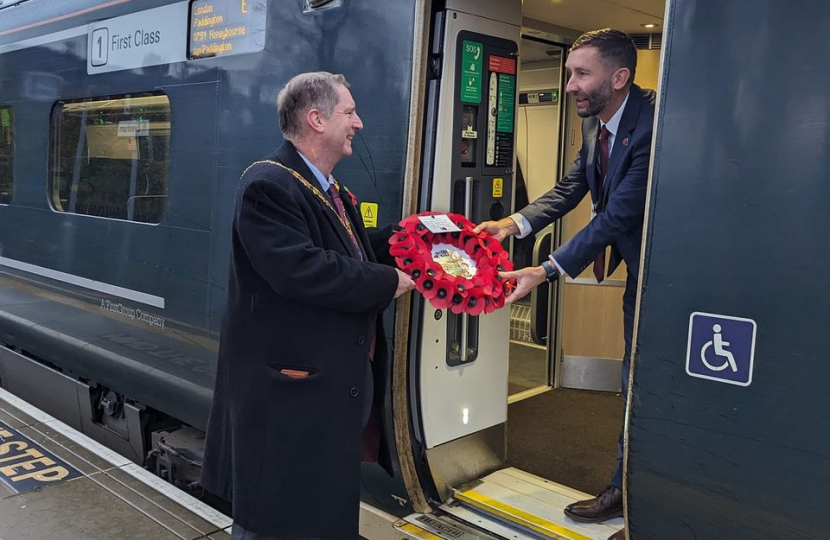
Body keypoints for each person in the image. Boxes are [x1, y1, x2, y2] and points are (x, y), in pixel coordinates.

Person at [200, 72, 415, 540]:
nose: (358, 122)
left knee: (318, 505)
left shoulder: (326, 187)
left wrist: (416, 241)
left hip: (324, 389)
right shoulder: (268, 185)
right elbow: (302, 269)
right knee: (277, 517)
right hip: (289, 396)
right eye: (349, 112)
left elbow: (352, 252)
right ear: (316, 119)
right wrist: (388, 282)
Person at [475, 29, 656, 540]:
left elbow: (617, 216)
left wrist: (545, 269)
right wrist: (514, 224)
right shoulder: (597, 123)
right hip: (639, 275)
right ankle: (626, 491)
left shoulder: (653, 126)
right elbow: (573, 185)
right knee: (632, 381)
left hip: (666, 280)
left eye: (582, 74)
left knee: (645, 385)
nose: (571, 84)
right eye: (569, 71)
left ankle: (647, 502)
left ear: (619, 78)